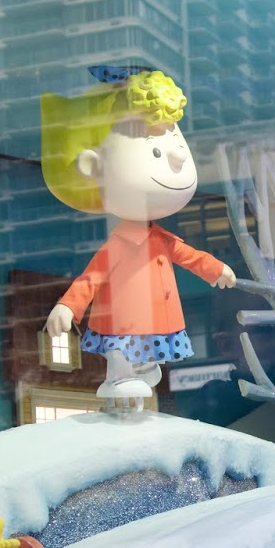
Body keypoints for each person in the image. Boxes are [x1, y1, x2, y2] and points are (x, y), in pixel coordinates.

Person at [40, 67, 236, 406]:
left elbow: (188, 256)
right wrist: (67, 306)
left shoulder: (159, 238)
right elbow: (90, 279)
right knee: (121, 349)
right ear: (92, 166)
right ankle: (119, 376)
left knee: (143, 346)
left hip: (154, 318)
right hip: (123, 320)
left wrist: (215, 269)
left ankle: (142, 368)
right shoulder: (120, 244)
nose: (178, 155)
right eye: (156, 150)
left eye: (176, 141)